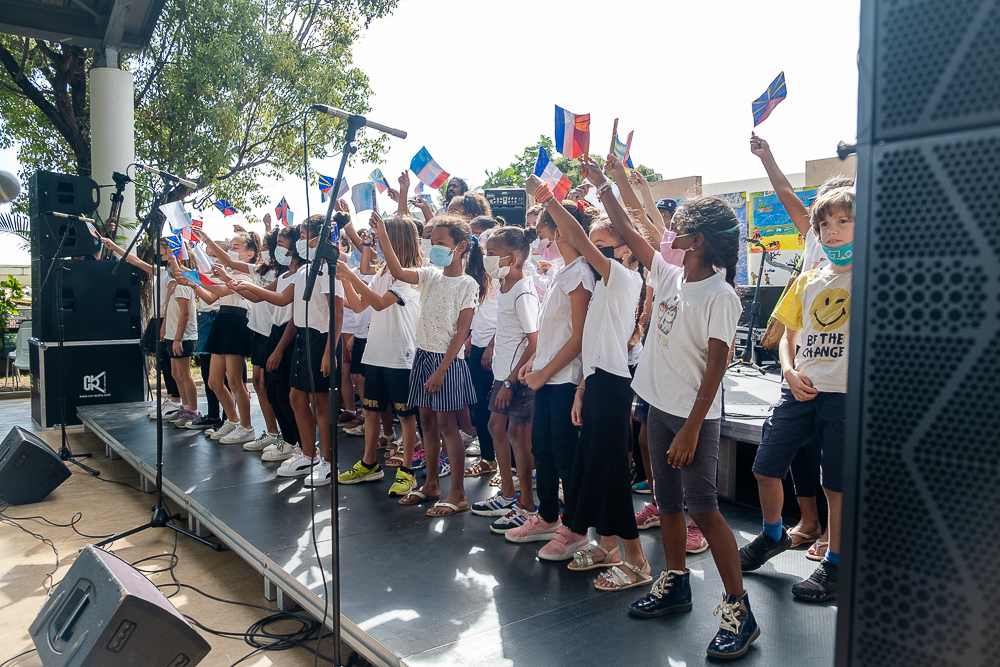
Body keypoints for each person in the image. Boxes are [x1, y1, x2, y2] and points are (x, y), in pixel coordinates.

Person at [526, 168, 652, 593]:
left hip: (615, 388)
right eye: (596, 247)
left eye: (606, 247)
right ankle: (609, 545)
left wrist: (545, 197)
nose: (596, 253)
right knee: (594, 471)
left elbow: (576, 237)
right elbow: (593, 344)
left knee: (613, 475)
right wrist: (581, 389)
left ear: (628, 251)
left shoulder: (624, 278)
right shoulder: (602, 286)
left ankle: (636, 562)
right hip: (597, 384)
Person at [739, 187, 855, 604]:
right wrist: (788, 371)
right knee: (765, 466)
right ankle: (773, 536)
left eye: (844, 221)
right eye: (825, 224)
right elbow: (789, 336)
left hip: (845, 394)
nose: (833, 231)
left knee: (836, 485)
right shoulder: (809, 278)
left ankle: (838, 563)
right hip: (802, 388)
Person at [366, 213, 486, 516]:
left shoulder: (467, 284)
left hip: (447, 362)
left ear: (460, 246)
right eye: (433, 242)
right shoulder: (430, 275)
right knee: (427, 424)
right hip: (422, 355)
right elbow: (396, 269)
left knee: (448, 426)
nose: (435, 248)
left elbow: (462, 333)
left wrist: (442, 370)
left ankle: (457, 494)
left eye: (441, 243)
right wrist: (382, 235)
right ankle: (431, 484)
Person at [503, 200, 595, 545]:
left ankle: (574, 529)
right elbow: (554, 330)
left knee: (564, 454)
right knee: (542, 448)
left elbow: (580, 336)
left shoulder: (581, 273)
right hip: (546, 377)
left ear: (561, 231)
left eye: (543, 233)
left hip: (565, 380)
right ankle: (548, 516)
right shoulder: (562, 272)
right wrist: (534, 363)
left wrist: (544, 373)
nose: (541, 241)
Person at [230, 214, 345, 486]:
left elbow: (337, 311)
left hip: (321, 338)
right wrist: (246, 286)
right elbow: (282, 298)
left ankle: (328, 461)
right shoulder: (304, 271)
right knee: (296, 397)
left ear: (323, 238)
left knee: (319, 402)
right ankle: (309, 454)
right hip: (303, 338)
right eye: (301, 236)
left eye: (306, 236)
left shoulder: (330, 269)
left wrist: (330, 351)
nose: (301, 242)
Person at [336, 213, 422, 495]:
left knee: (406, 417)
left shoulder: (410, 277)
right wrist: (345, 280)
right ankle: (369, 463)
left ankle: (407, 470)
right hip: (376, 354)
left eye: (383, 238)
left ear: (397, 242)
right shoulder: (384, 273)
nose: (378, 245)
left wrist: (351, 275)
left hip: (400, 356)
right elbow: (360, 306)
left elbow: (380, 304)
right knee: (371, 411)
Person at [470, 225, 540, 534]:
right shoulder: (505, 287)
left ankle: (526, 504)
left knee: (518, 437)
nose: (486, 259)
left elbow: (534, 342)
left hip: (517, 378)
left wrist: (511, 382)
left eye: (492, 254)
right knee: (496, 427)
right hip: (503, 374)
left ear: (511, 258)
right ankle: (509, 493)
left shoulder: (524, 291)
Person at [187, 228, 261, 445]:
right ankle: (232, 419)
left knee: (235, 381)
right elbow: (212, 297)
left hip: (237, 321)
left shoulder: (247, 273)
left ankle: (246, 426)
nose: (230, 251)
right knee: (213, 381)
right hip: (223, 319)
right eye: (230, 247)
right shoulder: (229, 272)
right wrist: (194, 282)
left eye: (236, 247)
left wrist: (198, 277)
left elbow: (220, 291)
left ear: (250, 253)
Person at [102, 236, 184, 419]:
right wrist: (115, 247)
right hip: (157, 318)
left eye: (159, 251)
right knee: (163, 362)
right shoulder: (161, 271)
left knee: (171, 365)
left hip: (165, 318)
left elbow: (171, 300)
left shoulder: (174, 274)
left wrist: (165, 324)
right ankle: (171, 398)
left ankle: (176, 400)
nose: (156, 254)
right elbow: (136, 261)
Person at [239, 225, 302, 462]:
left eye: (282, 244)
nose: (277, 249)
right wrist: (238, 286)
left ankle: (302, 445)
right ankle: (287, 440)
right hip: (276, 332)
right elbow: (260, 296)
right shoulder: (285, 276)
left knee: (286, 395)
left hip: (288, 335)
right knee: (273, 393)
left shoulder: (301, 276)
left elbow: (284, 302)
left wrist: (277, 350)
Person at [463, 215, 501, 480]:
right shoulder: (475, 279)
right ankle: (489, 459)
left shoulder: (503, 278)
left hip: (498, 351)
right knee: (480, 407)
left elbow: (510, 320)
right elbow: (475, 314)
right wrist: (470, 338)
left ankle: (508, 464)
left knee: (500, 412)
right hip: (476, 347)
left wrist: (490, 345)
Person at [243, 228, 283, 452]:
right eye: (265, 247)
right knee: (258, 383)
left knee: (273, 387)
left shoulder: (285, 274)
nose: (265, 251)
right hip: (258, 331)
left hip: (273, 333)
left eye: (269, 247)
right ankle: (271, 432)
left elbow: (264, 295)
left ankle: (285, 436)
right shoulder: (260, 270)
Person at [160, 253, 201, 427]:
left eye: (173, 262)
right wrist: (164, 329)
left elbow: (185, 314)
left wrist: (178, 338)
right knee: (176, 374)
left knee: (184, 375)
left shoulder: (184, 286)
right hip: (172, 335)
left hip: (182, 337)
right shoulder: (175, 285)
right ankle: (184, 407)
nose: (169, 265)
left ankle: (193, 410)